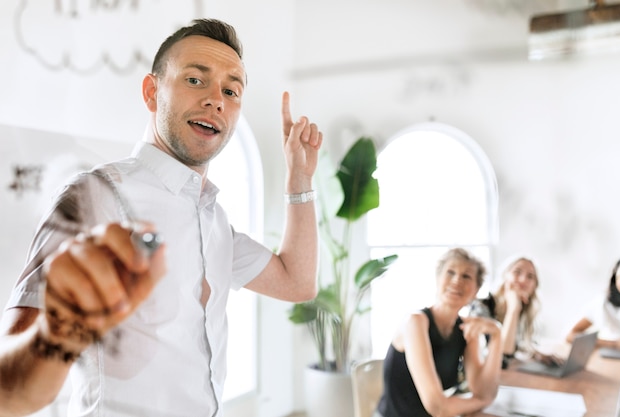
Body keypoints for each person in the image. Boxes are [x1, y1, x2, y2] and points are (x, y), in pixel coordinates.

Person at [0, 18, 322, 417]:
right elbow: (7, 393)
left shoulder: (214, 220)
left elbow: (298, 282)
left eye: (231, 90)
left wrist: (300, 179)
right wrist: (64, 325)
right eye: (195, 80)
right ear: (152, 92)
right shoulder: (95, 196)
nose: (216, 100)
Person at [375, 248, 503, 417]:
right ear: (438, 279)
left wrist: (497, 335)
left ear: (476, 290)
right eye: (450, 272)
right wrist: (482, 402)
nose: (457, 280)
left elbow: (483, 390)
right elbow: (437, 407)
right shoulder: (415, 322)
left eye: (466, 276)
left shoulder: (465, 329)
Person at [469, 255, 558, 368]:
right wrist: (513, 309)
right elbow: (502, 358)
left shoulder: (525, 311)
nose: (522, 280)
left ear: (535, 286)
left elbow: (517, 345)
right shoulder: (482, 307)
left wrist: (535, 354)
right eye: (517, 272)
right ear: (505, 276)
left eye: (530, 277)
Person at [566, 257, 620, 349]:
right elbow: (570, 336)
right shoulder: (602, 303)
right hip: (611, 359)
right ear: (615, 279)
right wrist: (615, 344)